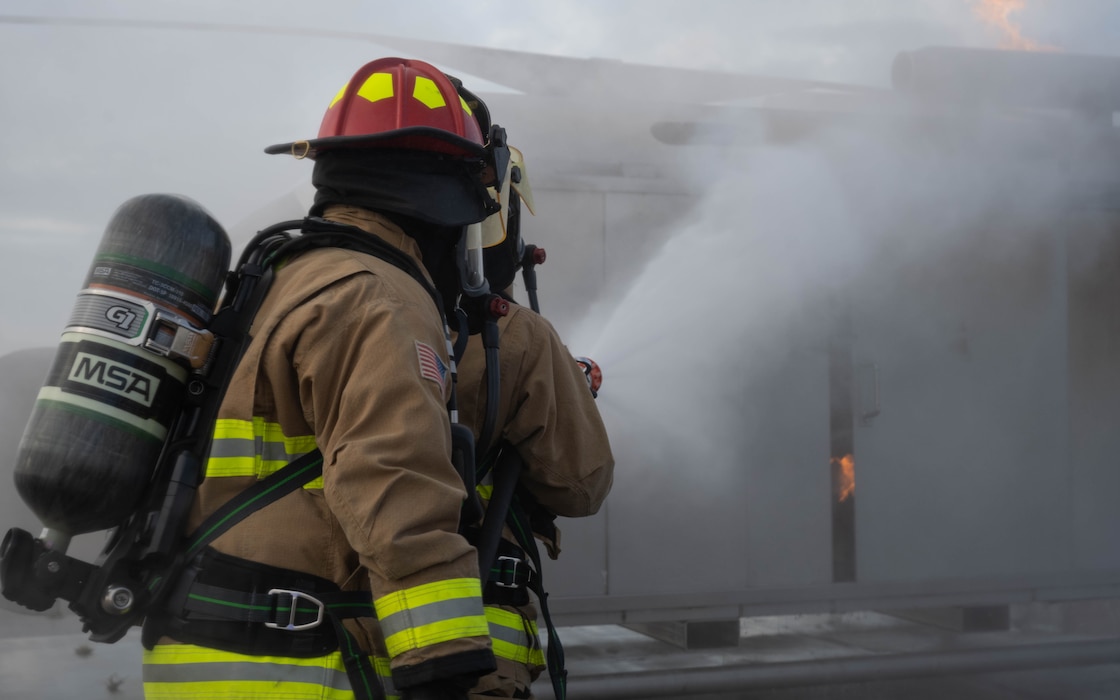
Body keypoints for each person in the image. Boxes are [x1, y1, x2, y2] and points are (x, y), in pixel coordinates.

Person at [140, 57, 510, 700]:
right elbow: (395, 482)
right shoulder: (381, 298)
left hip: (203, 658)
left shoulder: (286, 273)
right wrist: (443, 663)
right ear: (438, 200)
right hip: (298, 669)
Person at [453, 145, 615, 699]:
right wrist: (567, 394)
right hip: (467, 639)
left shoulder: (285, 293)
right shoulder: (515, 338)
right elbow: (582, 485)